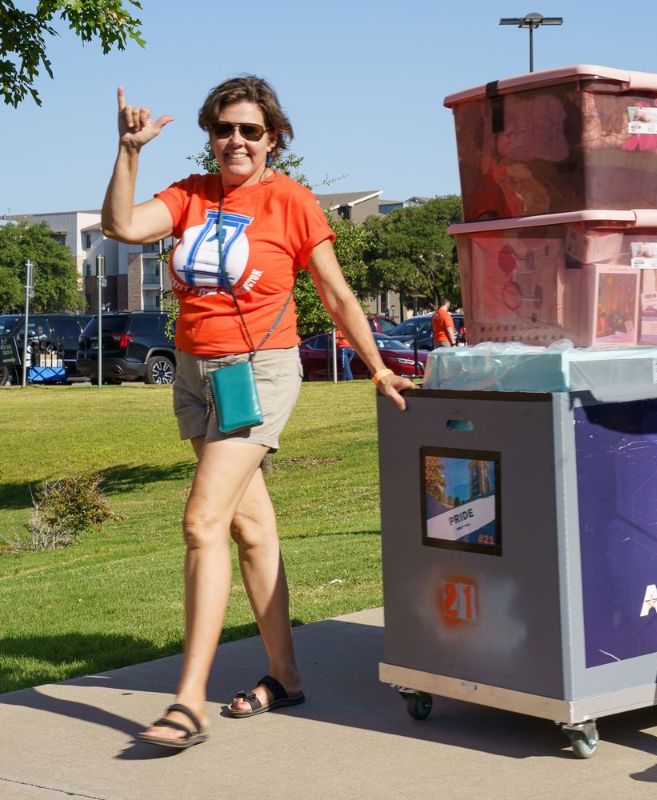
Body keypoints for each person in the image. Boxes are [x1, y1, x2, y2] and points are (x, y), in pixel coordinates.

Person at [101, 76, 414, 749]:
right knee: (251, 529)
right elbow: (121, 227)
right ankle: (286, 677)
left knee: (201, 520)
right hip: (193, 375)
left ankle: (188, 702)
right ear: (210, 136)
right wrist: (129, 152)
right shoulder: (189, 193)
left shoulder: (291, 201)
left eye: (250, 130)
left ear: (273, 138)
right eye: (224, 129)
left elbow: (336, 294)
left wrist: (378, 364)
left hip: (261, 372)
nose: (235, 141)